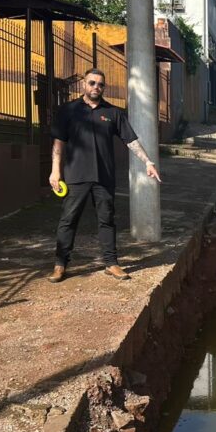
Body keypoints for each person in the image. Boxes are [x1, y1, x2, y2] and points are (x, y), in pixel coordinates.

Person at [48, 68, 161, 283]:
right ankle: (60, 264)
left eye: (100, 84)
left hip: (104, 177)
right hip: (76, 176)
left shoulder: (113, 113)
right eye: (92, 83)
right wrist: (55, 171)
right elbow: (58, 142)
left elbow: (131, 141)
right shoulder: (69, 110)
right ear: (83, 83)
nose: (96, 87)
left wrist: (147, 161)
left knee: (107, 220)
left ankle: (111, 264)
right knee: (68, 220)